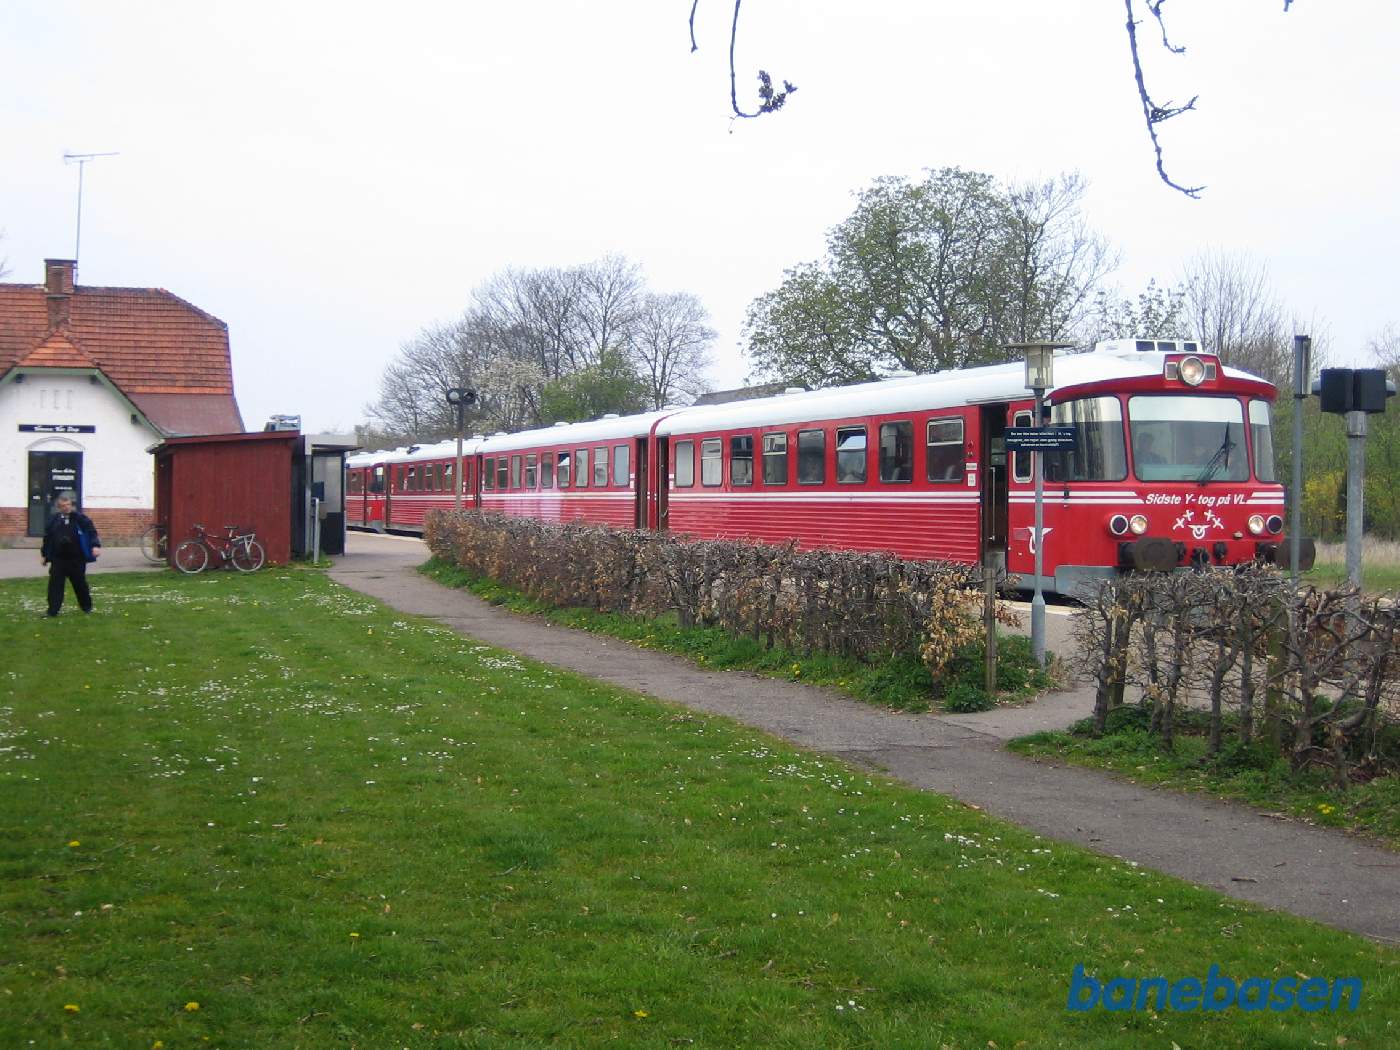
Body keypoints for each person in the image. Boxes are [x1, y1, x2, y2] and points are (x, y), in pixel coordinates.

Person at [41, 491, 101, 616]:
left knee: (80, 584)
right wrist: (45, 555)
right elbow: (48, 538)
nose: (66, 507)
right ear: (59, 507)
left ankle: (86, 607)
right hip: (59, 559)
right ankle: (52, 611)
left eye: (68, 505)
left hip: (76, 558)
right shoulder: (54, 520)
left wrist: (95, 546)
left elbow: (91, 532)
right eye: (63, 506)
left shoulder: (80, 519)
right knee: (55, 586)